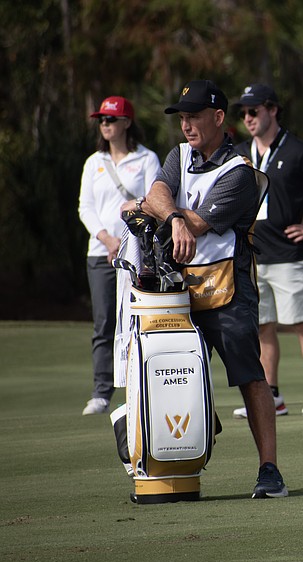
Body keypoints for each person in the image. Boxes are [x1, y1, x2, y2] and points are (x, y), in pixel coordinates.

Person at [120, 79, 286, 498]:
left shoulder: (241, 172)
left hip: (228, 289)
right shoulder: (179, 155)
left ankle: (269, 470)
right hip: (177, 288)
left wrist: (155, 211)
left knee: (250, 376)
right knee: (168, 373)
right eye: (183, 118)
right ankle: (187, 436)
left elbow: (197, 222)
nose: (187, 125)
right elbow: (162, 192)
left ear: (217, 118)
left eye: (194, 116)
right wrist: (170, 216)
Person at [231, 83, 303, 418]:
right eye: (244, 113)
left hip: (288, 254)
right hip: (251, 255)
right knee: (262, 325)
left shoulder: (297, 150)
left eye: (254, 111)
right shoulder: (239, 153)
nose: (248, 118)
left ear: (272, 110)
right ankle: (272, 395)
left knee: (302, 322)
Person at [78, 96, 160, 415]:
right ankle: (102, 391)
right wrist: (107, 238)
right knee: (104, 323)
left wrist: (125, 241)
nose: (105, 125)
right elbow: (85, 207)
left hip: (137, 254)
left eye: (111, 120)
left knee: (138, 321)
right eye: (102, 120)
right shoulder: (93, 162)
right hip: (101, 253)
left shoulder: (146, 158)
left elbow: (154, 199)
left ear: (126, 123)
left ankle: (140, 384)